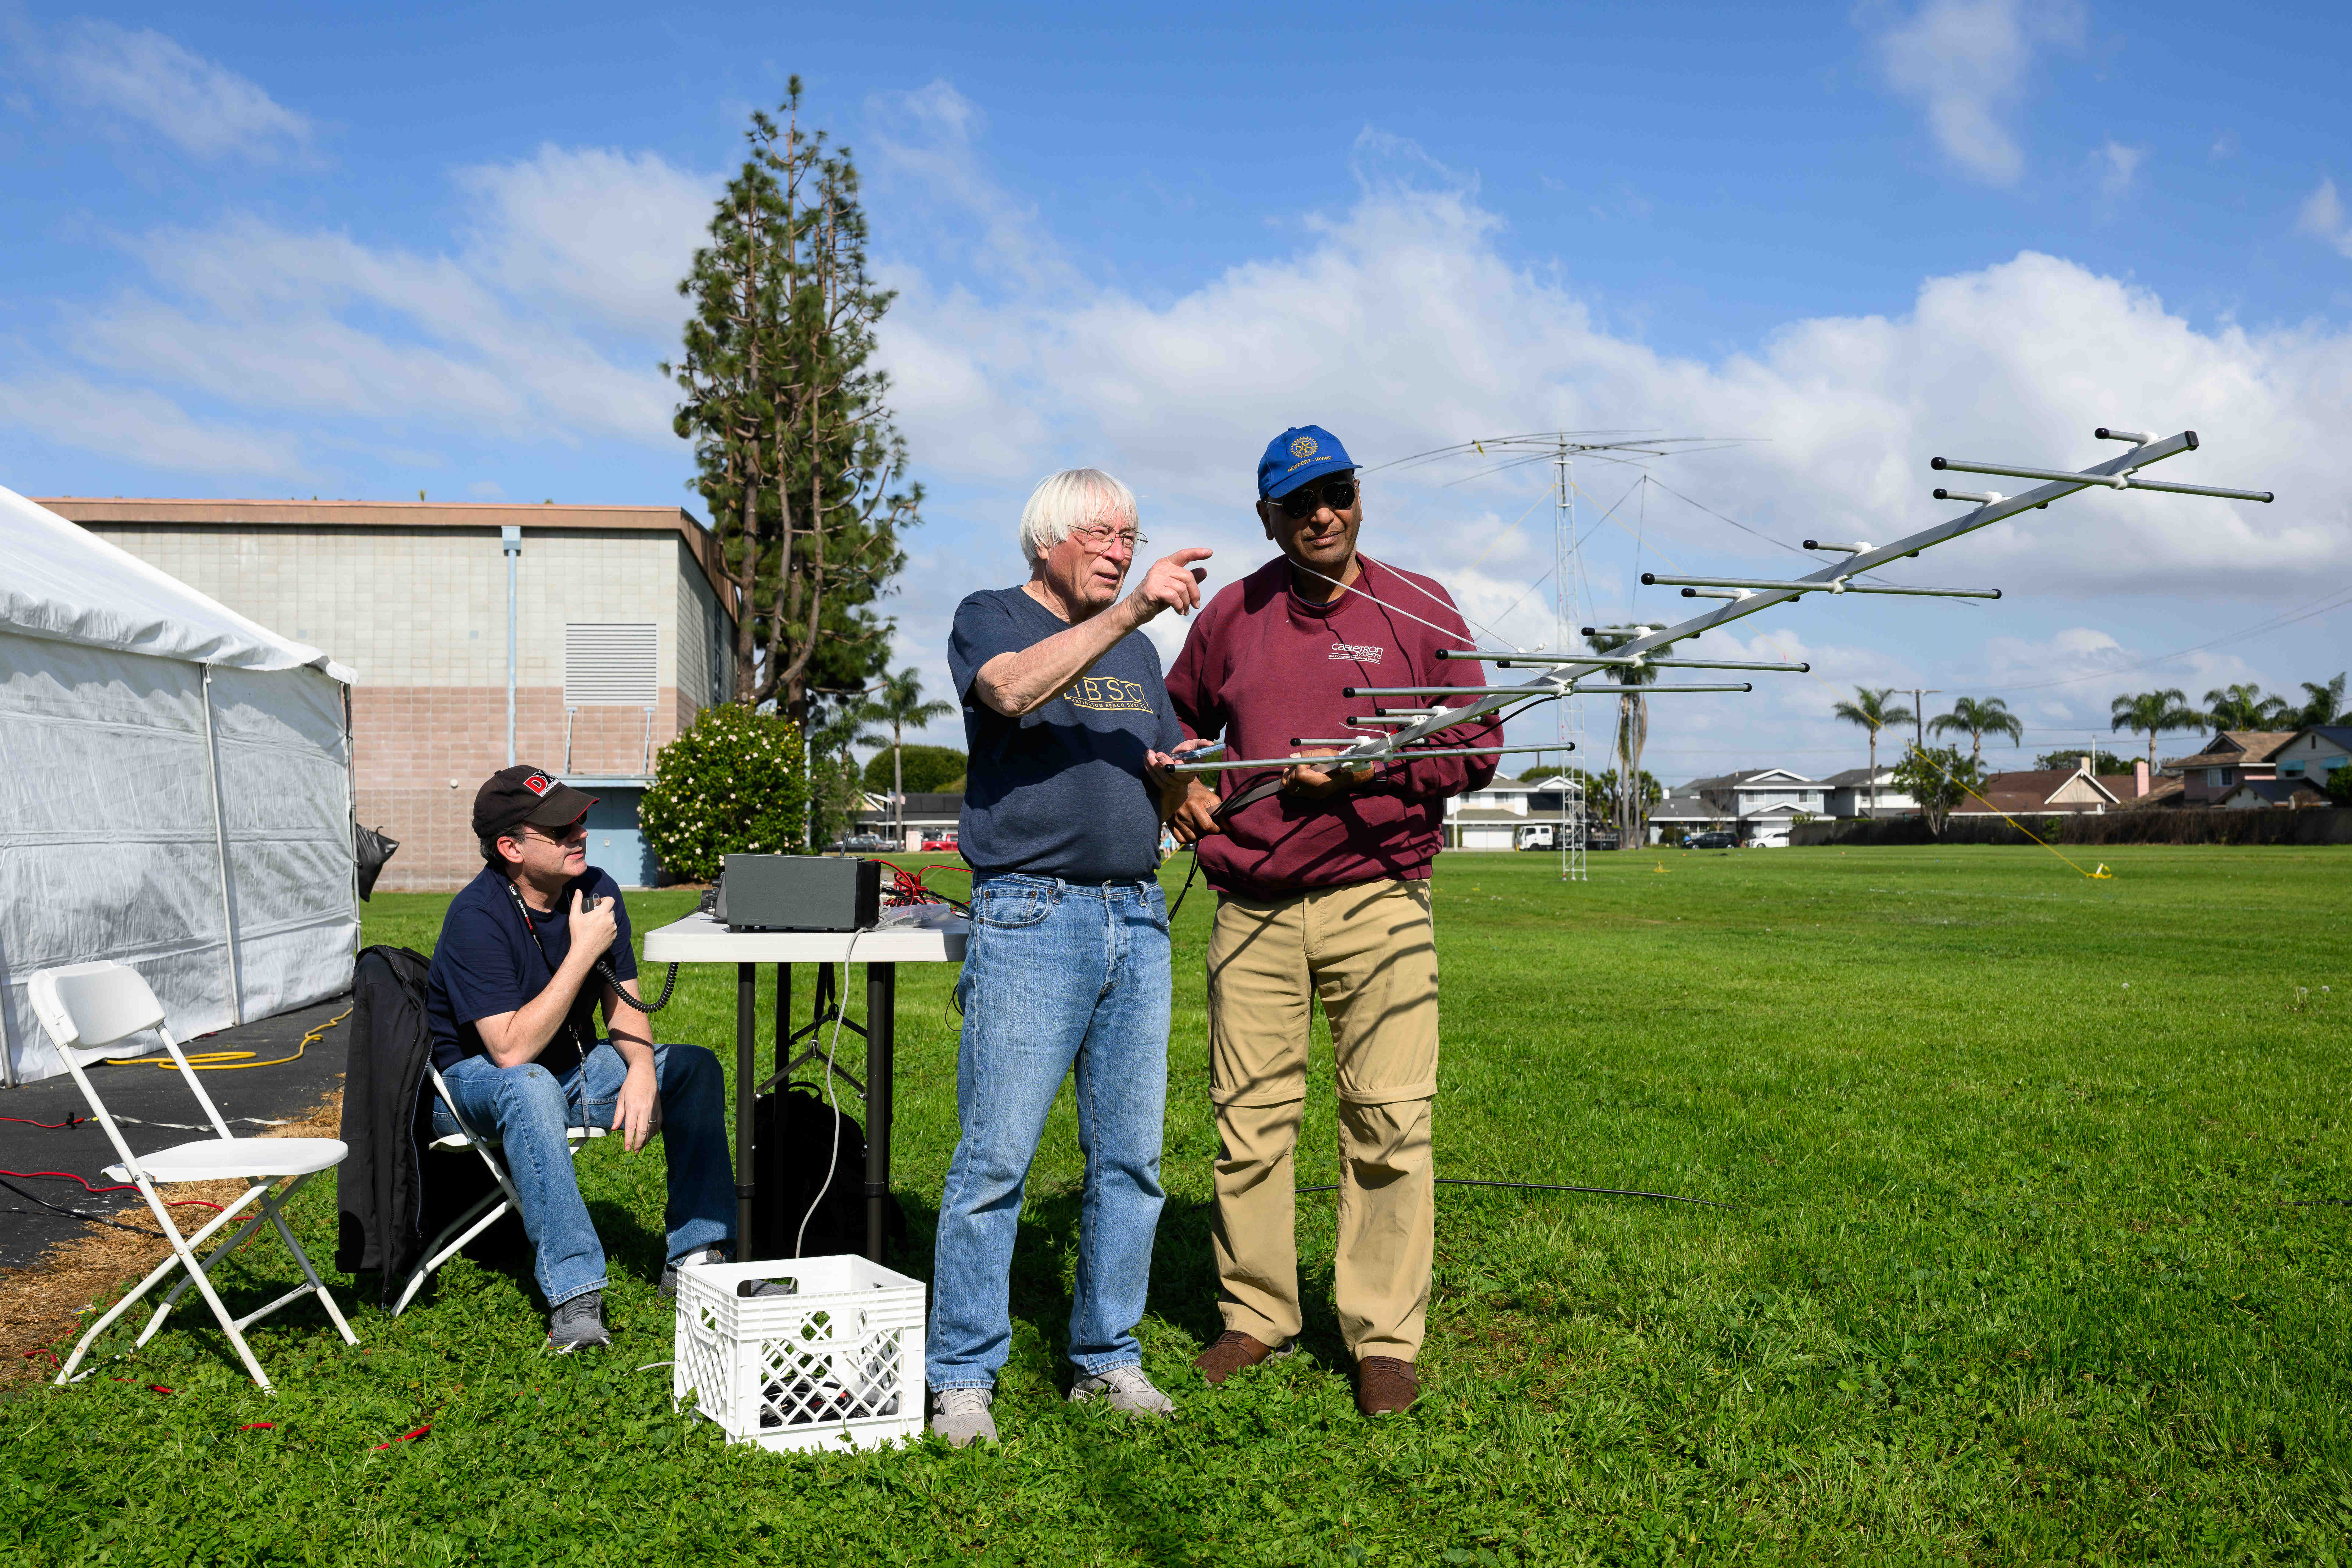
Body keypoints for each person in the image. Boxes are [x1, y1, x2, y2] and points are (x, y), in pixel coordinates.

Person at [1164, 425, 1501, 1417]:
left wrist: (1375, 766)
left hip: (1381, 895)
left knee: (1390, 1120)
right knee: (1249, 1127)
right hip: (1253, 909)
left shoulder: (1420, 606)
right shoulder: (1231, 613)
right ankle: (1256, 1315)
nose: (1322, 514)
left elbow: (1477, 746)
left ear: (1359, 494)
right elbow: (1176, 717)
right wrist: (1178, 781)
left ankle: (1384, 1336)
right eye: (1298, 503)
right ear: (1266, 520)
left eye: (1337, 492)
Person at [925, 468, 1214, 1447]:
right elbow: (1007, 690)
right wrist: (1133, 607)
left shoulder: (1136, 658)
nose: (1122, 547)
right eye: (1103, 531)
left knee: (1130, 1160)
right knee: (996, 1157)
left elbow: (1167, 784)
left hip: (1137, 917)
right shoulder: (990, 615)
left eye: (1132, 535)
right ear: (1048, 536)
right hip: (1030, 915)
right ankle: (963, 1373)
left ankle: (1108, 1357)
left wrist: (1191, 784)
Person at [424, 766, 737, 1352]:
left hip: (567, 1066)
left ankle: (698, 1254)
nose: (580, 833)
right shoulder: (475, 917)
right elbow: (510, 1049)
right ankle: (575, 1296)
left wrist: (643, 1070)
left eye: (579, 819)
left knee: (692, 1068)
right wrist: (585, 949)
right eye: (559, 827)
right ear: (510, 848)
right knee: (531, 1084)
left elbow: (625, 1005)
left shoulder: (597, 889)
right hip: (473, 1085)